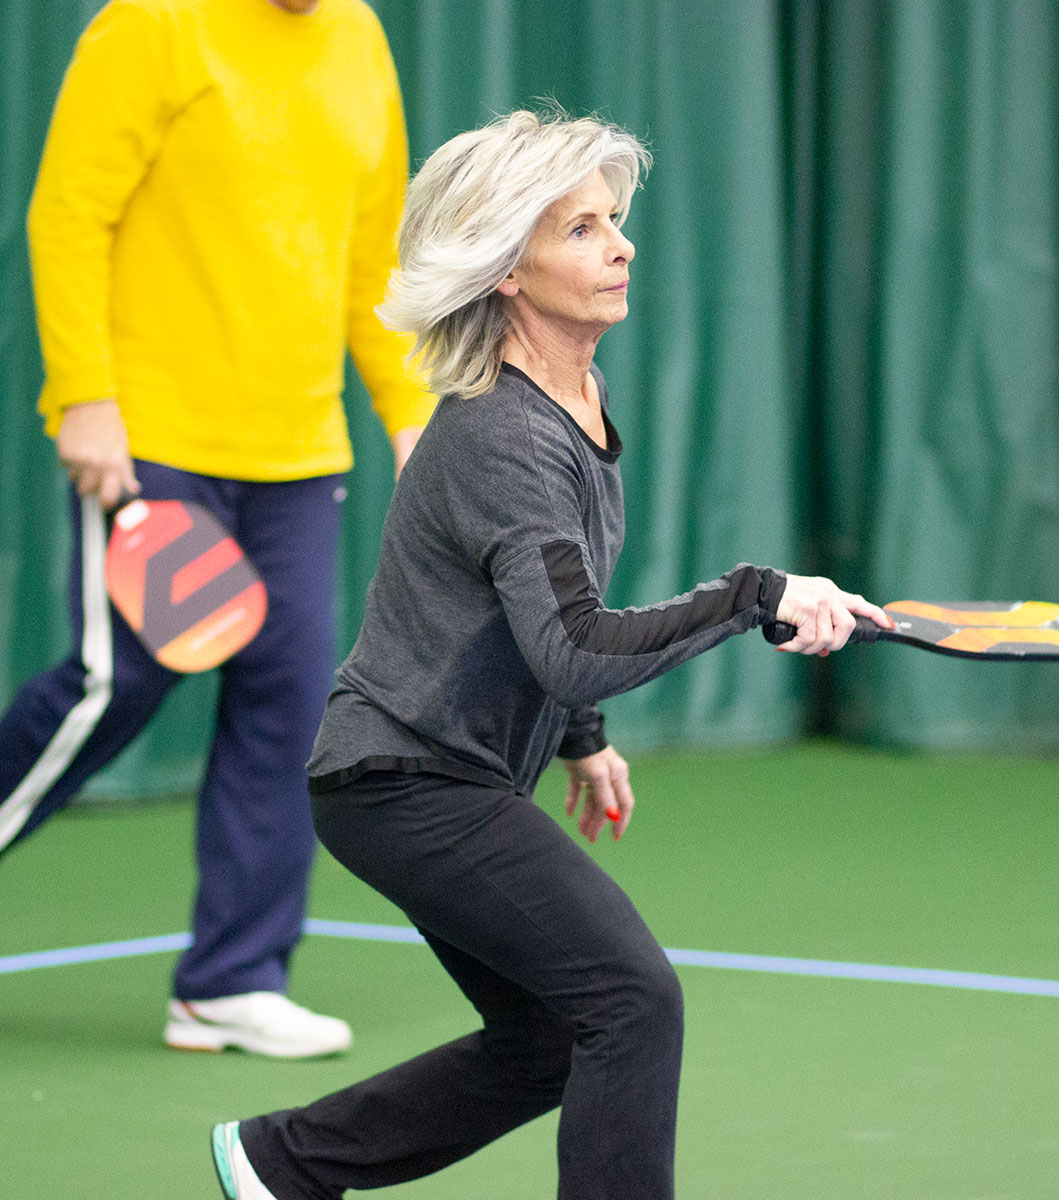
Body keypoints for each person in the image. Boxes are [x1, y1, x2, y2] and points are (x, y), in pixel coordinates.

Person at [209, 108, 892, 1198]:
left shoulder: (574, 402)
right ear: (507, 269)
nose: (620, 245)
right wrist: (756, 596)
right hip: (403, 782)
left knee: (548, 1038)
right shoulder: (501, 432)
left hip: (439, 775)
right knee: (631, 999)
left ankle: (283, 1164)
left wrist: (581, 738)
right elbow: (572, 644)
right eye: (580, 230)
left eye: (614, 221)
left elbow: (538, 602)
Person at [0, 0, 433, 1058]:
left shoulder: (360, 39)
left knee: (291, 707)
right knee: (124, 677)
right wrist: (86, 395)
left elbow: (373, 256)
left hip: (297, 453)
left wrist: (413, 412)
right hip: (155, 438)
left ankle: (230, 981)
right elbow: (67, 215)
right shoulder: (152, 23)